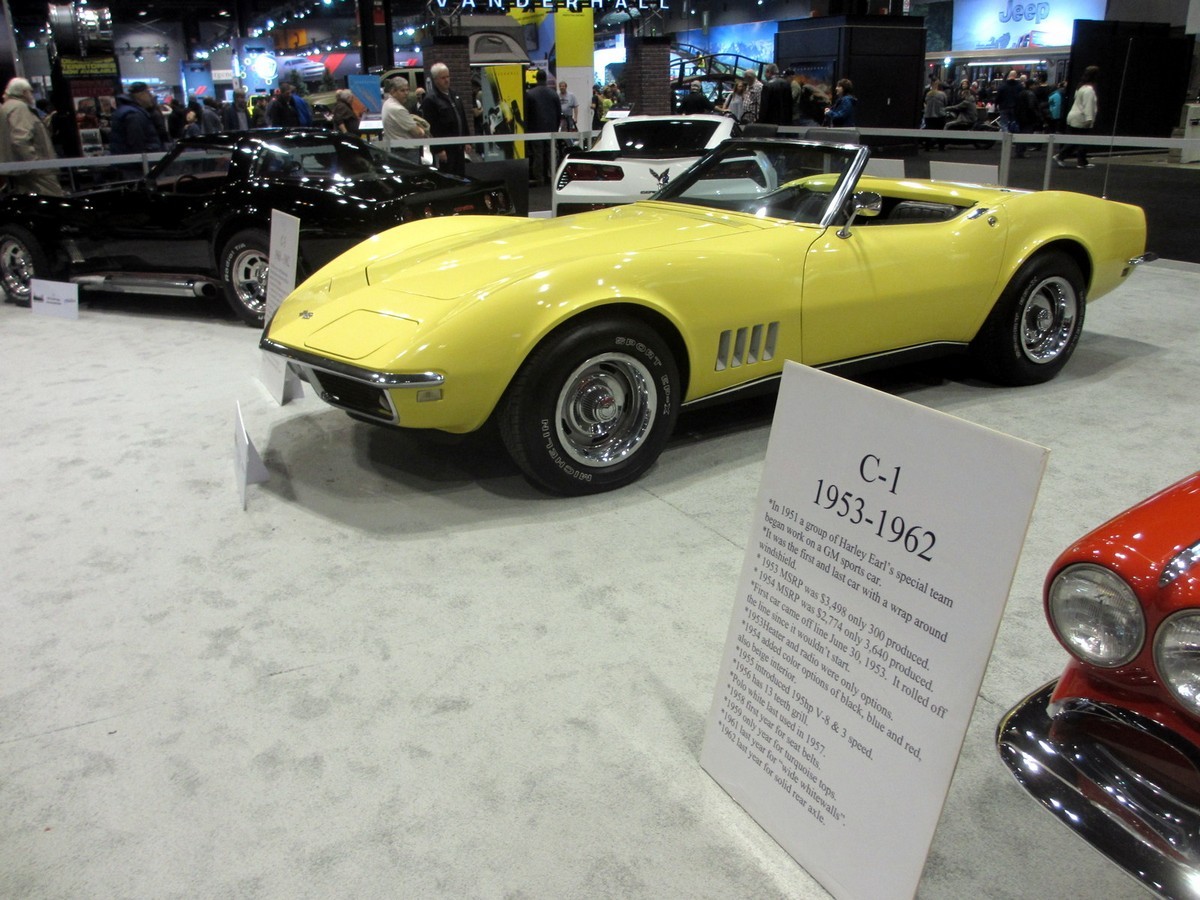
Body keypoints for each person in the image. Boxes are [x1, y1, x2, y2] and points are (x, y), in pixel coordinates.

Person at [0, 77, 64, 196]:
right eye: (30, 91)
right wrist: (35, 165)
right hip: (36, 172)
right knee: (53, 199)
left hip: (22, 169)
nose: (31, 95)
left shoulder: (7, 107)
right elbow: (20, 139)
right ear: (24, 92)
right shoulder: (19, 108)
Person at [419, 61, 472, 176]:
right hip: (445, 149)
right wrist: (438, 149)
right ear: (435, 80)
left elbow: (462, 118)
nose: (447, 80)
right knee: (447, 176)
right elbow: (431, 128)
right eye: (443, 78)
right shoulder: (430, 100)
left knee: (460, 175)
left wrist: (467, 140)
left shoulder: (455, 95)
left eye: (448, 77)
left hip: (459, 146)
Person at [1055, 65, 1100, 169]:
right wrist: (1089, 119)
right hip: (1081, 118)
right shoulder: (1089, 90)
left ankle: (1076, 160)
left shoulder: (1081, 87)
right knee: (1080, 141)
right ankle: (1065, 157)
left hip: (1074, 116)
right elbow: (1088, 105)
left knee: (1076, 140)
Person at [523, 68, 559, 186]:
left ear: (536, 78)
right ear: (546, 79)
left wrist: (527, 129)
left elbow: (526, 114)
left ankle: (539, 177)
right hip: (551, 129)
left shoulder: (530, 94)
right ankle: (552, 175)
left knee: (538, 153)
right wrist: (556, 127)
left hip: (535, 129)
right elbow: (558, 113)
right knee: (551, 152)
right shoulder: (554, 94)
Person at [109, 82, 166, 155]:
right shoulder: (134, 114)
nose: (151, 96)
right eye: (148, 93)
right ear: (141, 95)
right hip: (138, 160)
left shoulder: (127, 110)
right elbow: (137, 145)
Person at [381, 77, 426, 164]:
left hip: (397, 150)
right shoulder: (398, 109)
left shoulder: (387, 104)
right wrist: (422, 130)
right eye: (402, 90)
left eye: (407, 90)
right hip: (406, 153)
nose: (406, 93)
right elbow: (418, 133)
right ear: (393, 91)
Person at [922, 79, 947, 150]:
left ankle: (927, 146)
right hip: (940, 115)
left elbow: (925, 102)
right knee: (940, 131)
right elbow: (945, 103)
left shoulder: (928, 94)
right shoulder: (942, 94)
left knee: (928, 131)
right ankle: (941, 147)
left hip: (929, 115)